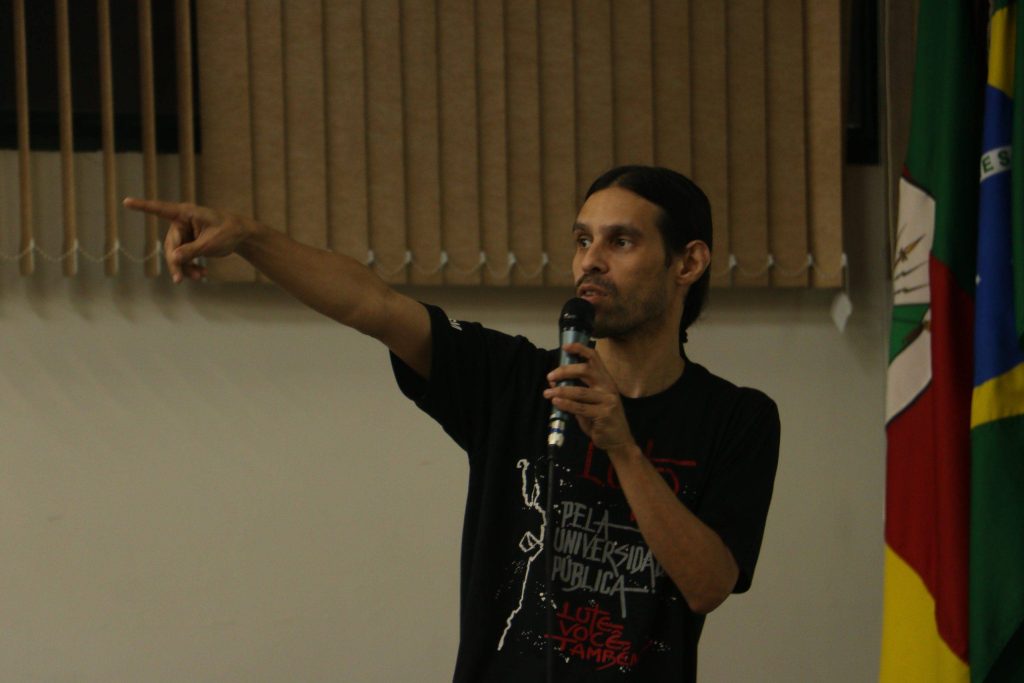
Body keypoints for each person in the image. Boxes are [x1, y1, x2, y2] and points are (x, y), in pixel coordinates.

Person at [125, 165, 779, 682]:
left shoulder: (738, 418)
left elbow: (708, 585)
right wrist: (250, 237)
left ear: (688, 262)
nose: (590, 261)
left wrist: (623, 448)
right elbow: (371, 303)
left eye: (621, 241)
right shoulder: (512, 380)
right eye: (583, 239)